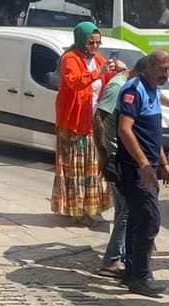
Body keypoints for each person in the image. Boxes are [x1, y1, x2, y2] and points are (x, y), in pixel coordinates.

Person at [116, 49, 169, 298]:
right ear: (149, 66)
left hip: (149, 166)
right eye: (163, 69)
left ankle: (131, 270)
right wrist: (144, 165)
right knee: (150, 218)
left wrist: (163, 163)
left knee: (138, 219)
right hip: (135, 169)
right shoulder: (134, 89)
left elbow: (152, 134)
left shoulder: (154, 91)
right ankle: (141, 275)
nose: (167, 74)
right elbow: (125, 130)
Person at [51, 21, 120, 228]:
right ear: (82, 40)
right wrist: (97, 73)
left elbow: (109, 81)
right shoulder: (69, 59)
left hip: (94, 123)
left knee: (93, 168)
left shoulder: (98, 59)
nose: (95, 46)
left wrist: (118, 71)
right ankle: (77, 210)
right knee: (75, 169)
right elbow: (74, 82)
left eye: (98, 42)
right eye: (91, 42)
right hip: (74, 123)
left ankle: (91, 208)